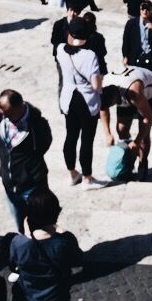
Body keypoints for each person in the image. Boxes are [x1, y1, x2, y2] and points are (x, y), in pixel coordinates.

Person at [6, 189, 84, 301]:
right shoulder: (63, 243)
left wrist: (26, 232)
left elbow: (13, 265)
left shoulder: (18, 243)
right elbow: (78, 259)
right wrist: (63, 232)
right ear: (56, 215)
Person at [0, 89, 53, 232]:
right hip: (10, 188)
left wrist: (28, 166)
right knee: (20, 227)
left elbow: (44, 145)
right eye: (1, 111)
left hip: (33, 186)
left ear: (20, 107)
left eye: (8, 113)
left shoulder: (37, 124)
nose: (3, 115)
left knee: (40, 227)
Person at [56, 17, 104, 188]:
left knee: (70, 136)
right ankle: (87, 178)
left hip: (68, 99)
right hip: (86, 101)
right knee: (87, 140)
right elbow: (96, 84)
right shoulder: (90, 55)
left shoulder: (60, 49)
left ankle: (72, 174)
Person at [101, 65, 152, 179]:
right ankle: (129, 161)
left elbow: (148, 118)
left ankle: (143, 164)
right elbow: (103, 108)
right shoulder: (104, 85)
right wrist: (107, 133)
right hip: (125, 89)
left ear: (115, 98)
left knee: (143, 135)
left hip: (149, 90)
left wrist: (137, 141)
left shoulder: (134, 92)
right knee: (121, 129)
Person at [121, 0, 152, 72]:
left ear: (151, 11)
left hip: (150, 57)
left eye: (147, 9)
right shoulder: (131, 23)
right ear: (140, 9)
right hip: (135, 57)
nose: (145, 11)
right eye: (143, 9)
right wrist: (125, 56)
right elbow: (126, 41)